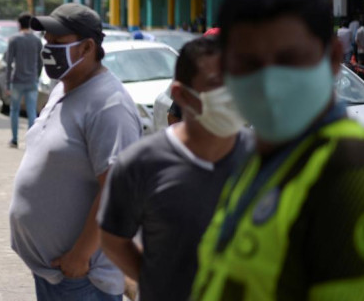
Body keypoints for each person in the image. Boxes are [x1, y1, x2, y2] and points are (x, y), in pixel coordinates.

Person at [191, 0, 364, 300]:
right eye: (249, 64)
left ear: (332, 59)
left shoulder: (347, 171)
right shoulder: (263, 155)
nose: (270, 83)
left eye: (289, 60)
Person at [98, 37, 254, 301]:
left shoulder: (269, 158)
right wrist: (154, 282)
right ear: (182, 95)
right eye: (217, 86)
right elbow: (113, 239)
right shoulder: (140, 163)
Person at [10, 3, 142, 301]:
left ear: (86, 48)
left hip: (82, 278)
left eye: (58, 42)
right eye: (47, 41)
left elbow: (118, 190)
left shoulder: (110, 105)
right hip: (55, 274)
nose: (48, 48)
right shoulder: (63, 87)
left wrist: (80, 256)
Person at [5, 13, 43, 148]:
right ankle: (31, 140)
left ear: (19, 24)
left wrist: (7, 84)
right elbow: (40, 62)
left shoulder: (14, 39)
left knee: (14, 110)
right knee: (31, 111)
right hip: (32, 80)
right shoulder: (36, 40)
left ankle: (14, 139)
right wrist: (36, 77)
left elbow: (8, 63)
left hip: (17, 81)